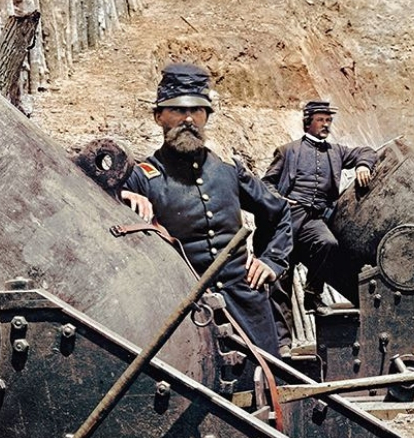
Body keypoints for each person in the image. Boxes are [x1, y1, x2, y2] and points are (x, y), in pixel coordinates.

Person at [120, 63, 292, 355]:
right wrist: (122, 197)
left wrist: (271, 261)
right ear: (158, 116)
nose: (188, 119)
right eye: (177, 111)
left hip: (247, 305)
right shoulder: (143, 176)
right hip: (188, 313)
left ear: (206, 116)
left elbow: (279, 213)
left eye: (197, 111)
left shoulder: (228, 170)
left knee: (267, 387)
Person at [262, 100, 376, 352]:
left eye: (328, 120)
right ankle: (283, 343)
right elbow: (266, 183)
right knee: (281, 278)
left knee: (328, 243)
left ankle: (313, 292)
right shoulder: (288, 151)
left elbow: (367, 151)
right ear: (308, 122)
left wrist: (363, 165)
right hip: (288, 219)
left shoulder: (336, 152)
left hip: (314, 219)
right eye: (321, 120)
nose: (326, 125)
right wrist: (280, 200)